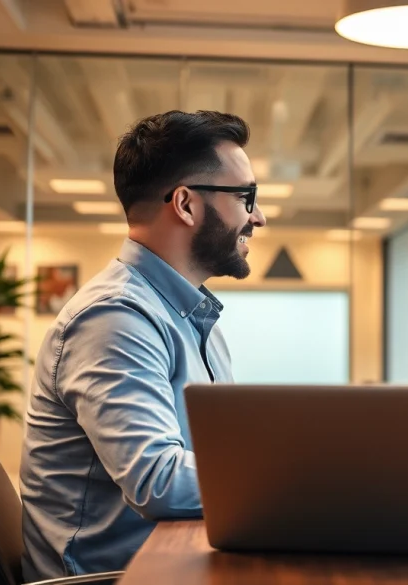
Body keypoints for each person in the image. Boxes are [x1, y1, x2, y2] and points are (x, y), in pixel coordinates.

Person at [20, 110, 266, 580]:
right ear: (186, 204)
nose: (258, 216)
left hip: (178, 556)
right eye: (245, 197)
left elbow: (222, 450)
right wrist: (294, 479)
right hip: (115, 576)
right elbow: (158, 480)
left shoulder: (192, 318)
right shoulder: (113, 319)